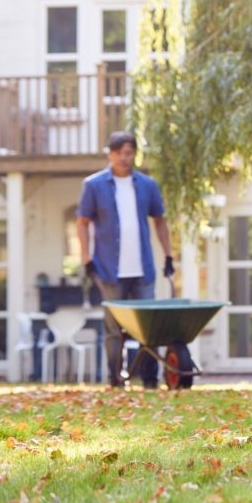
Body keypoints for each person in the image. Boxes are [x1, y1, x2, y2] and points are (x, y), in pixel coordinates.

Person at [77, 131, 174, 388]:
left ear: (134, 155)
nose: (124, 157)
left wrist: (168, 254)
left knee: (148, 328)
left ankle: (150, 381)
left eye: (129, 153)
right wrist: (86, 258)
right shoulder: (94, 185)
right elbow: (82, 223)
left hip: (142, 269)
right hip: (109, 270)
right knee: (114, 330)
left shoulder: (147, 185)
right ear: (110, 153)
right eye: (119, 152)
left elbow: (160, 221)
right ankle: (115, 379)